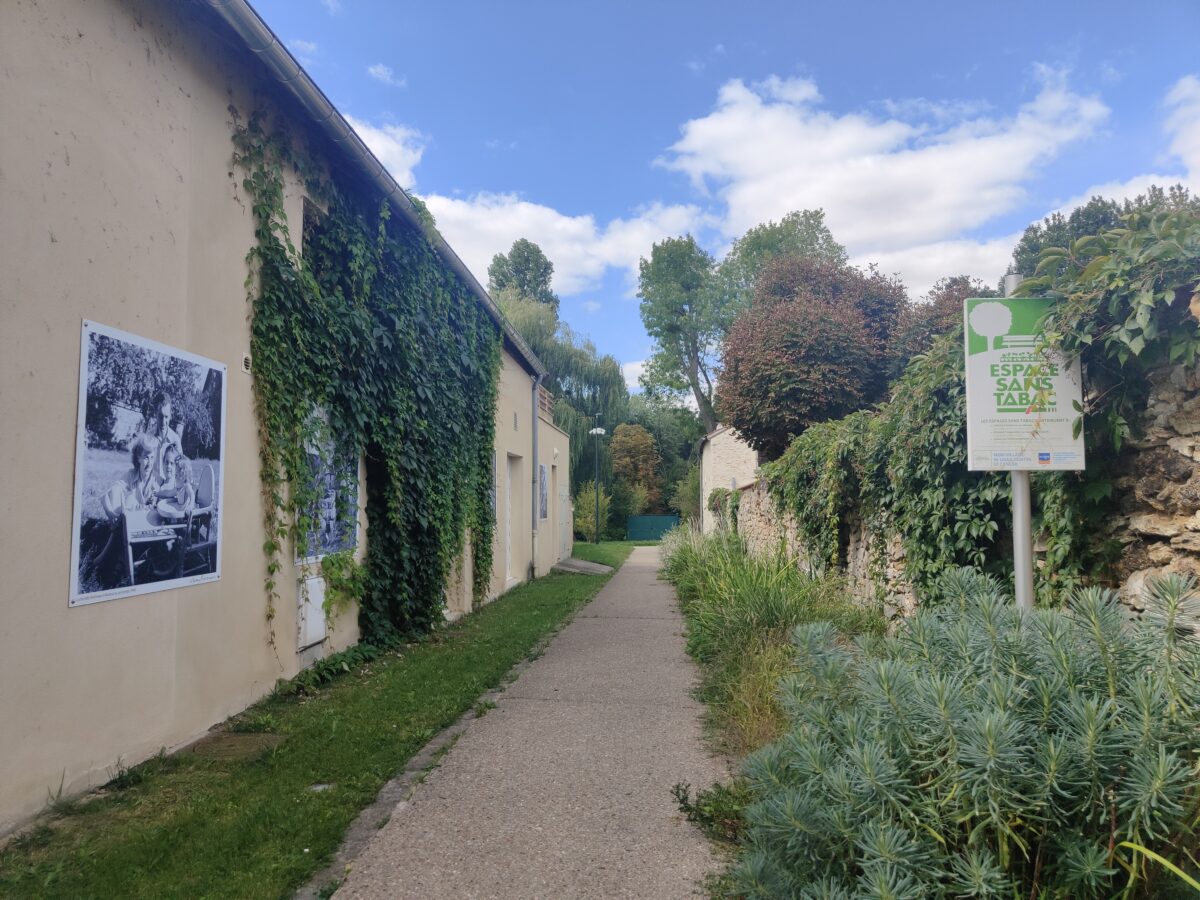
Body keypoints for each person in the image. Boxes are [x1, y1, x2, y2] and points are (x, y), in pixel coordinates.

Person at [102, 434, 158, 519]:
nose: (150, 464)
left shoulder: (157, 479)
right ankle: (116, 526)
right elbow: (108, 494)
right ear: (139, 458)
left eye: (152, 458)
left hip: (149, 520)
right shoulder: (131, 475)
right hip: (131, 521)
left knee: (130, 500)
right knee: (126, 497)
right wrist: (110, 513)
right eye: (146, 458)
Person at [147, 391, 184, 484]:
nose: (163, 422)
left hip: (169, 490)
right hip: (152, 488)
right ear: (156, 414)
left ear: (171, 415)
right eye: (160, 416)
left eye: (166, 417)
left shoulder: (175, 440)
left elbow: (181, 468)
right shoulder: (148, 437)